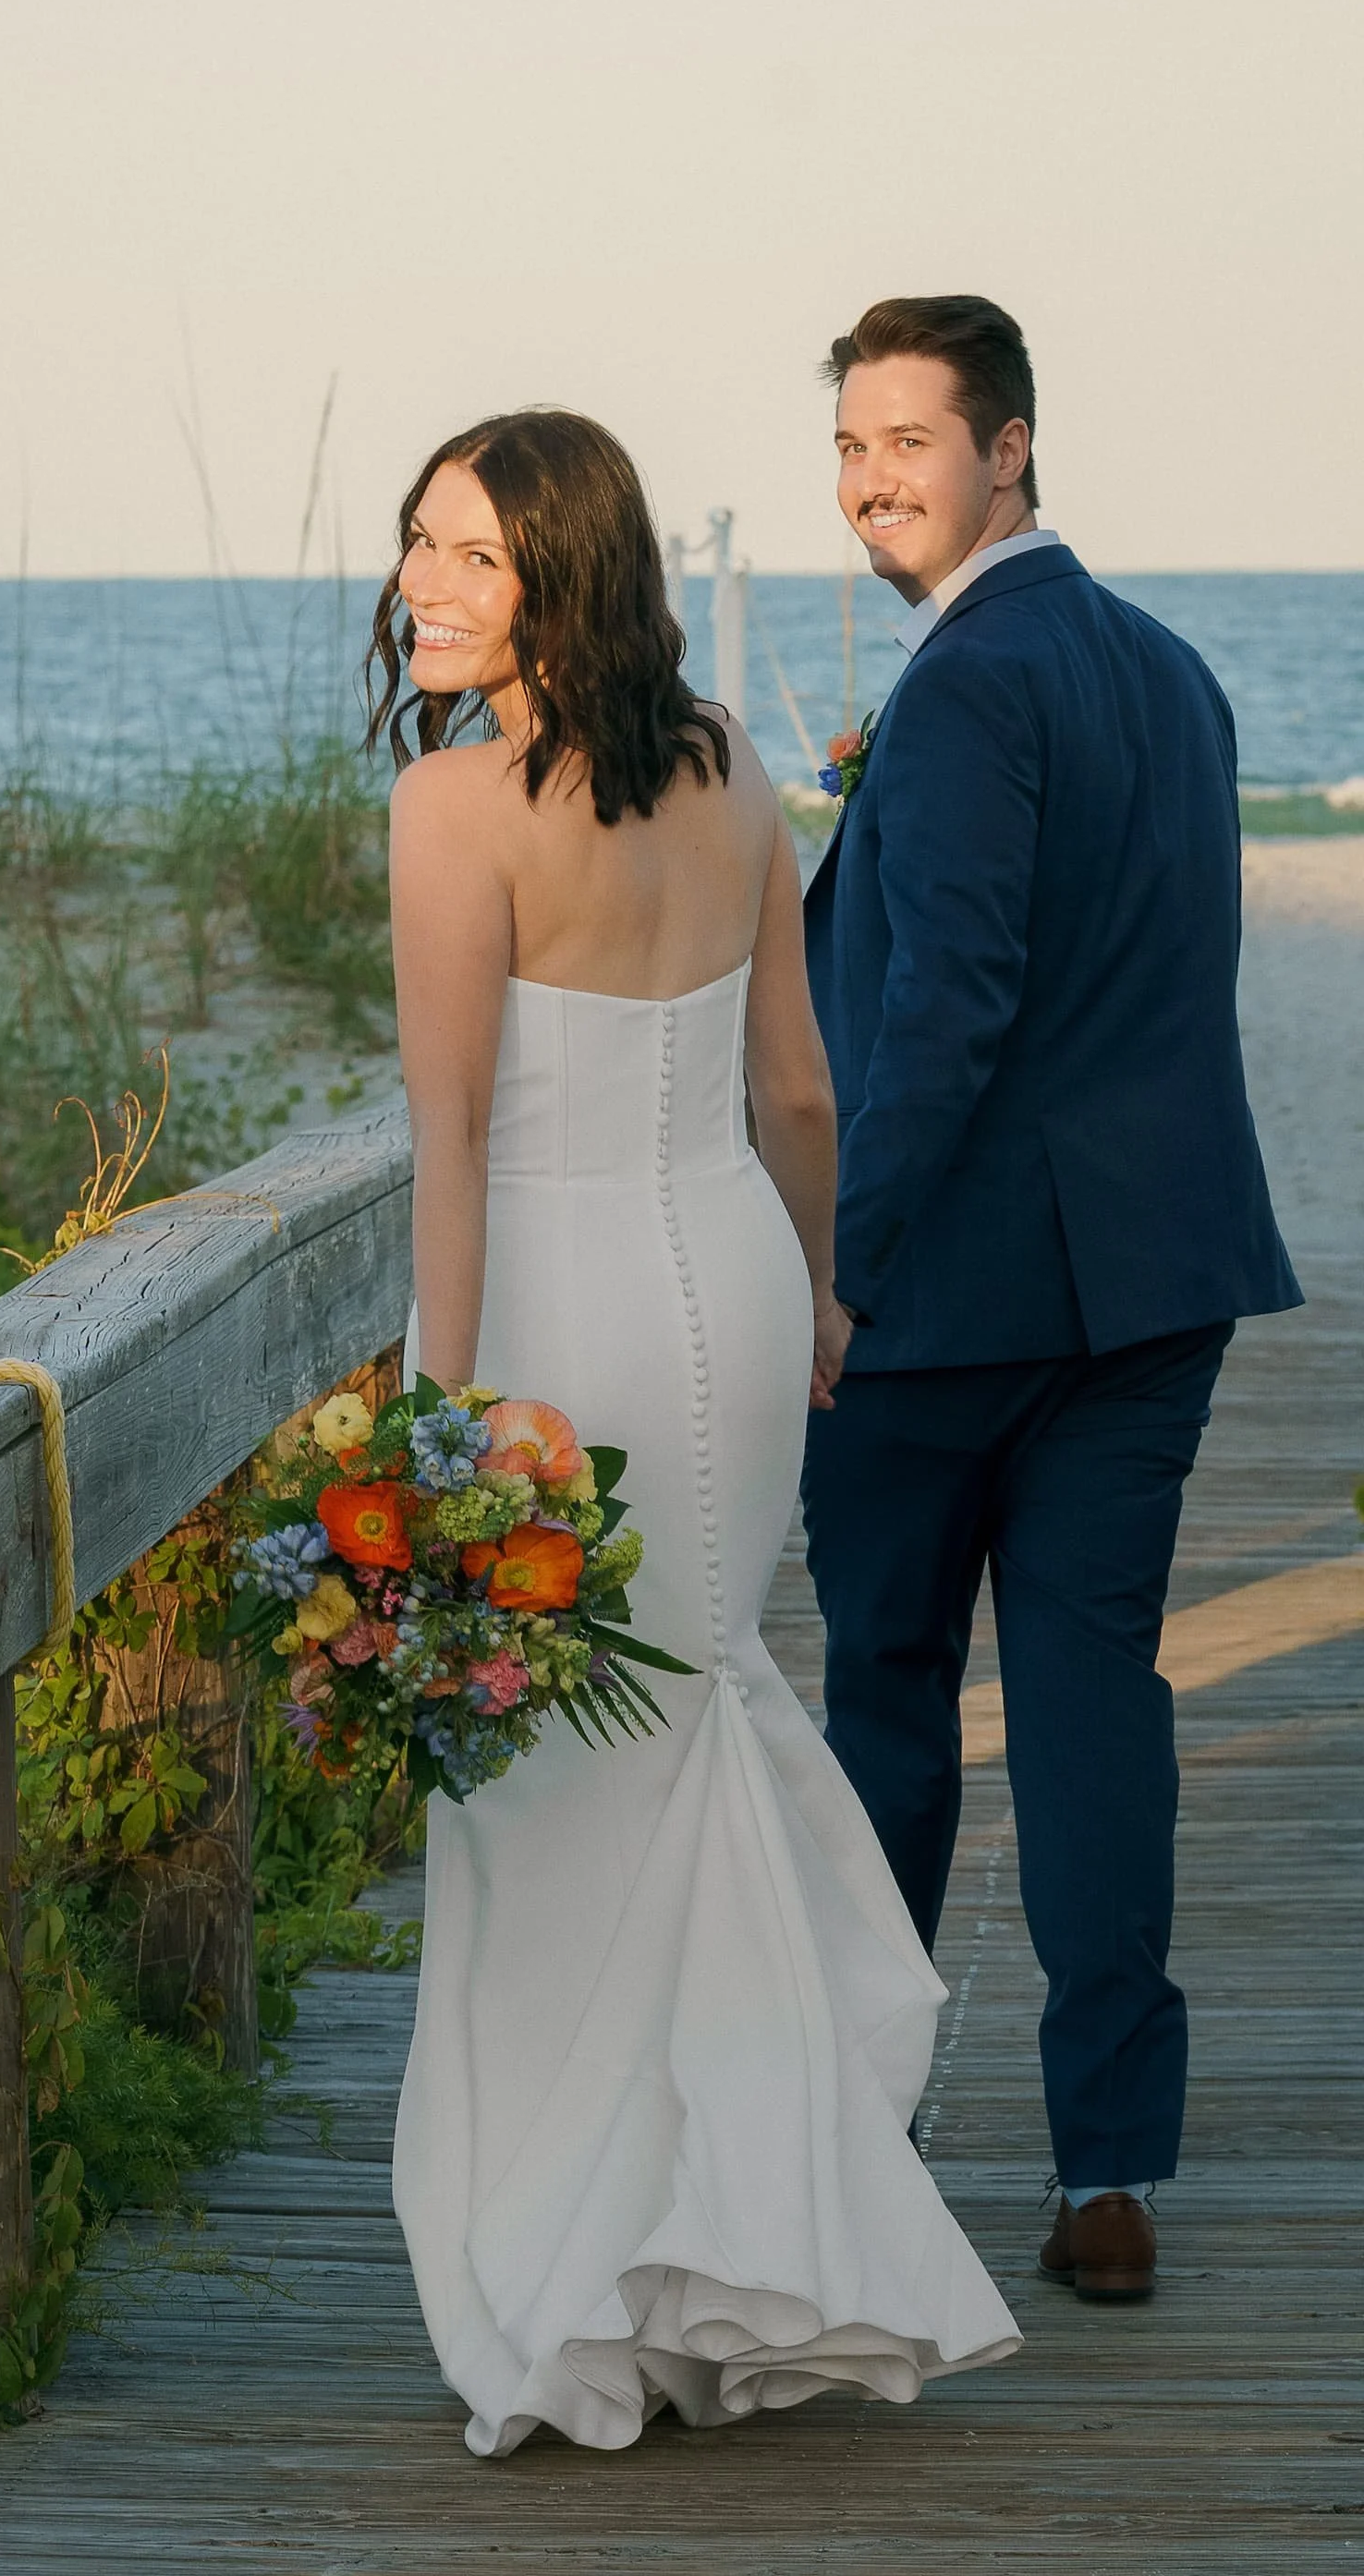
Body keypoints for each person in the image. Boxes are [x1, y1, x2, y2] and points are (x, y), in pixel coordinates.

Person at [376, 408, 1018, 2460]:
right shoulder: (735, 766)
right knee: (692, 1722)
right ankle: (730, 2246)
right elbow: (801, 1091)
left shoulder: (452, 811)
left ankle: (586, 2291)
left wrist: (440, 1428)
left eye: (469, 553)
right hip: (732, 1285)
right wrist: (820, 1291)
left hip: (552, 1315)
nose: (424, 586)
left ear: (559, 569)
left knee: (544, 1794)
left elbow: (454, 1143)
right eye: (414, 546)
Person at [802, 296, 1300, 2305]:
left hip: (948, 1303)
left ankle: (853, 2132)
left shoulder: (961, 689)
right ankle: (1109, 2166)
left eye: (907, 442)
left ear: (1009, 448)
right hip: (1152, 1282)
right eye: (846, 447)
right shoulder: (1173, 679)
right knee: (1095, 1706)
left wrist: (845, 1267)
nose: (867, 484)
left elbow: (949, 1008)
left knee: (889, 1705)